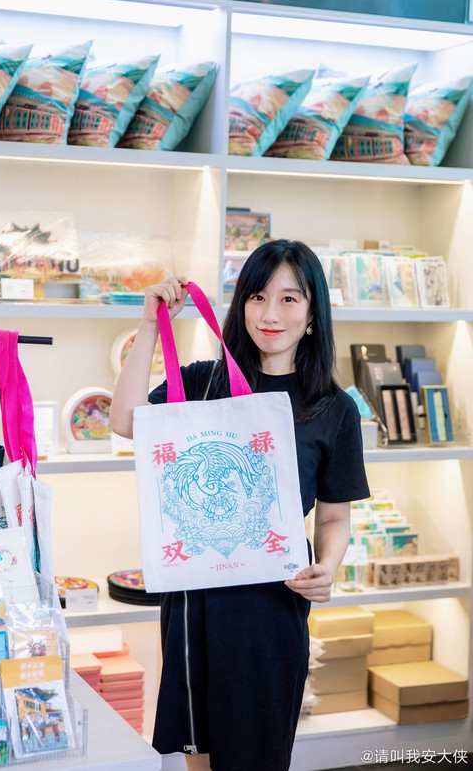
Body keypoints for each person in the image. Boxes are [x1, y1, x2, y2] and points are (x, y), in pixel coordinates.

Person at [110, 238, 370, 771]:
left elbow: (334, 514)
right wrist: (149, 324)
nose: (270, 314)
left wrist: (328, 566)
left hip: (271, 607)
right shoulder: (203, 381)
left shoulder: (334, 408)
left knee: (257, 756)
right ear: (241, 304)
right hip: (194, 605)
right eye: (257, 297)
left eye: (289, 299)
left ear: (313, 313)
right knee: (199, 758)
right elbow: (124, 420)